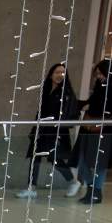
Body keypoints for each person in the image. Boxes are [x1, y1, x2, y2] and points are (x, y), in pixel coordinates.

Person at [18, 63, 81, 199]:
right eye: (57, 72)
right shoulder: (46, 89)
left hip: (55, 131)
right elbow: (41, 111)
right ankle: (31, 187)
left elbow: (66, 113)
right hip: (42, 130)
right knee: (35, 157)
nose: (60, 75)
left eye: (63, 73)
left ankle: (73, 182)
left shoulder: (66, 93)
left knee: (55, 158)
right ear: (51, 74)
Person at [74, 59, 112, 206]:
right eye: (96, 74)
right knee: (82, 160)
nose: (98, 76)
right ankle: (93, 189)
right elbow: (93, 102)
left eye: (99, 73)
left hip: (105, 129)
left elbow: (107, 107)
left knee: (99, 163)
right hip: (92, 127)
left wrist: (89, 107)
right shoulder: (100, 85)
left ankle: (95, 191)